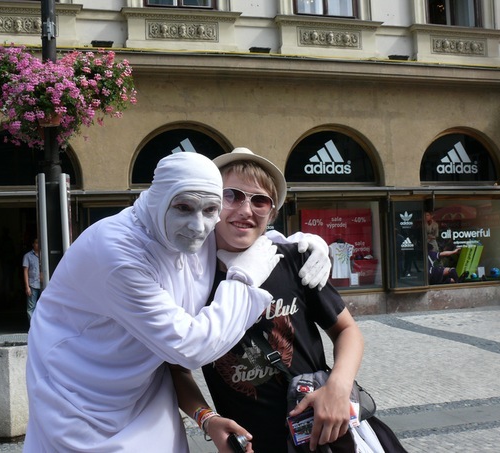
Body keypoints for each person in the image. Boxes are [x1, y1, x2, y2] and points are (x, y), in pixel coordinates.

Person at [24, 152, 331, 452]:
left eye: (210, 210)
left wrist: (300, 244)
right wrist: (242, 281)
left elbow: (238, 233)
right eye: (183, 207)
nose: (198, 226)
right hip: (79, 398)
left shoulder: (180, 227)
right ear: (157, 198)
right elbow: (190, 348)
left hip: (147, 387)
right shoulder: (118, 253)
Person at [171, 148, 407, 452]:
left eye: (259, 201)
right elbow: (176, 369)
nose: (245, 210)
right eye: (232, 196)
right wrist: (207, 419)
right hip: (253, 443)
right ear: (212, 204)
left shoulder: (294, 260)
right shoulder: (189, 280)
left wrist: (338, 387)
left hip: (325, 435)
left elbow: (347, 330)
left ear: (272, 213)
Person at [23, 237, 41, 321]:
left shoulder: (44, 254)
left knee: (43, 306)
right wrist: (27, 287)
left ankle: (41, 325)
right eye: (36, 243)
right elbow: (25, 271)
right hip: (32, 284)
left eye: (39, 243)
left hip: (43, 284)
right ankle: (32, 325)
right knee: (31, 307)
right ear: (33, 244)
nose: (38, 245)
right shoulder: (27, 256)